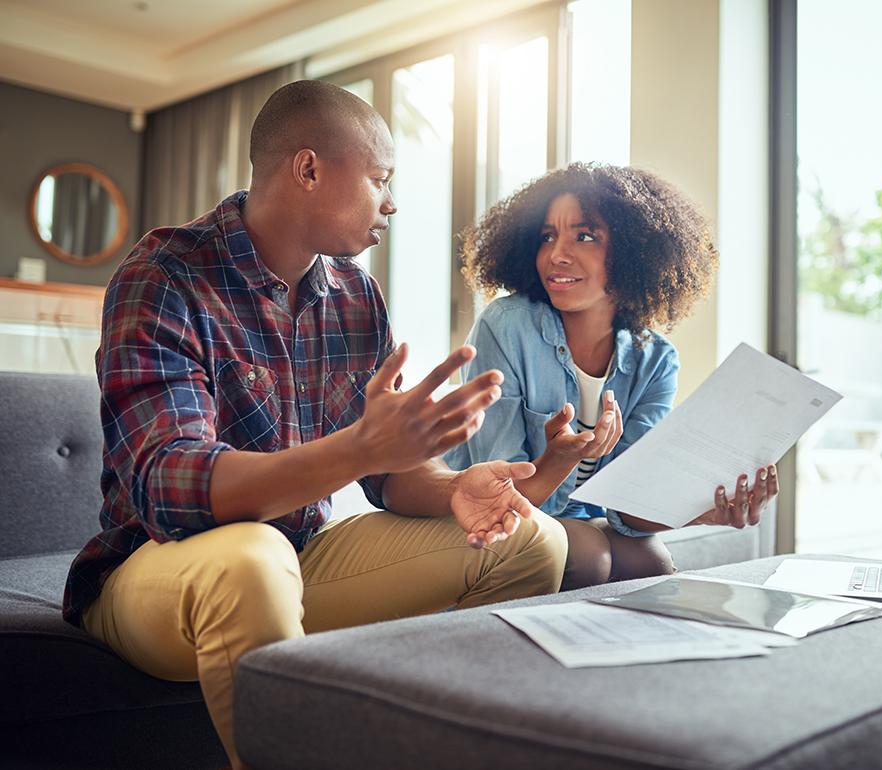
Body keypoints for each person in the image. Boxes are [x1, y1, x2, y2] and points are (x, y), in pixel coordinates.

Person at [62, 80, 568, 770]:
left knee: (530, 540)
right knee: (249, 558)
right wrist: (357, 447)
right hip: (153, 571)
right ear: (307, 169)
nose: (391, 202)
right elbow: (169, 485)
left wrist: (452, 488)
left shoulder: (355, 293)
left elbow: (388, 474)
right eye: (380, 180)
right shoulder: (166, 274)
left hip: (295, 559)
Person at [444, 163, 778, 590]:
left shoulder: (655, 360)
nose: (556, 254)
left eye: (585, 236)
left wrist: (703, 510)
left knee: (650, 558)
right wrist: (559, 460)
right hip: (488, 511)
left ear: (636, 254)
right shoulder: (506, 325)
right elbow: (505, 487)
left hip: (575, 520)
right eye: (548, 236)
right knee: (589, 553)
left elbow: (626, 502)